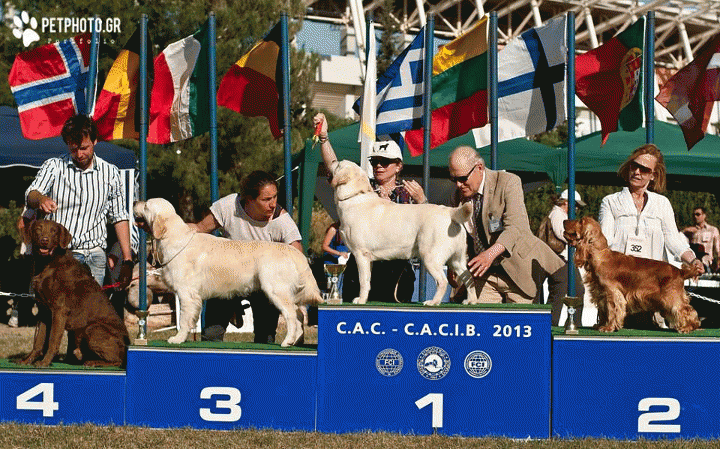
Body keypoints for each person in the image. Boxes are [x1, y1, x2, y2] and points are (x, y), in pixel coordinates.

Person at [313, 112, 424, 303]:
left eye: (385, 161)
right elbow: (334, 166)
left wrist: (422, 201)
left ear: (398, 166)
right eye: (374, 161)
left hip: (396, 272)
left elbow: (426, 225)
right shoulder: (360, 184)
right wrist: (324, 139)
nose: (378, 166)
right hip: (360, 269)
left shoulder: (410, 192)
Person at [189, 170, 303, 343]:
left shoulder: (281, 220)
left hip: (263, 282)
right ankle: (210, 366)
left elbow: (298, 256)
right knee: (211, 335)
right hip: (228, 277)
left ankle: (262, 366)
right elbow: (198, 229)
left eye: (275, 197)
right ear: (249, 199)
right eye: (266, 199)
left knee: (266, 338)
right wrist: (164, 230)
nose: (273, 204)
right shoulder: (228, 206)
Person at [24, 114, 134, 288]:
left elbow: (119, 216)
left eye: (84, 148)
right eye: (73, 149)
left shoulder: (111, 173)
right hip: (63, 254)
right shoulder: (54, 166)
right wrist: (41, 199)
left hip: (96, 256)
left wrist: (127, 260)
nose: (79, 154)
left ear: (95, 141)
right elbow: (31, 194)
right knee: (63, 309)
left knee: (90, 311)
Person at [447, 146, 565, 304]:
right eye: (454, 179)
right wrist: (451, 264)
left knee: (519, 326)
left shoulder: (509, 182)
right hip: (484, 275)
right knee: (481, 324)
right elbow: (458, 236)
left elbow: (516, 226)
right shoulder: (457, 197)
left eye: (462, 178)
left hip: (518, 271)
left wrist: (490, 254)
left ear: (479, 168)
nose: (458, 185)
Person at [599, 144, 703, 273]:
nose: (637, 172)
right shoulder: (610, 202)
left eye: (644, 169)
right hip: (620, 279)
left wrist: (693, 260)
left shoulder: (662, 203)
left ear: (653, 175)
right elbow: (604, 240)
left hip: (653, 280)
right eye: (634, 166)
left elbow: (674, 241)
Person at [543, 189, 586, 326]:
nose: (577, 208)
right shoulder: (557, 214)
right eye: (576, 205)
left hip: (564, 260)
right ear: (566, 202)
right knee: (560, 293)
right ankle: (552, 324)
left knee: (571, 291)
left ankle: (568, 323)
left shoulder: (558, 214)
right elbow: (563, 234)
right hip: (560, 260)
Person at [682, 207, 720, 273]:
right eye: (694, 215)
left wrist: (718, 262)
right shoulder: (690, 230)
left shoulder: (713, 230)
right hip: (692, 264)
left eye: (698, 214)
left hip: (707, 264)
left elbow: (718, 249)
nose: (695, 217)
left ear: (704, 215)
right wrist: (684, 231)